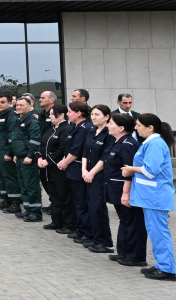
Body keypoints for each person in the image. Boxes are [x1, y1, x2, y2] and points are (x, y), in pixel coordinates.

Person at [122, 114, 176, 281]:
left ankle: (167, 270)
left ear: (150, 127)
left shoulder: (155, 144)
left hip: (156, 196)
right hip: (151, 196)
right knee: (154, 232)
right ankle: (161, 264)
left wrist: (131, 169)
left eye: (139, 125)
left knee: (159, 233)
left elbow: (150, 171)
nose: (136, 128)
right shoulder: (150, 143)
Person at [102, 113, 145, 266]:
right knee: (125, 220)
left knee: (133, 222)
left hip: (124, 189)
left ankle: (135, 257)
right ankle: (124, 252)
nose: (108, 125)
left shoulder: (128, 144)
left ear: (121, 128)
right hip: (115, 188)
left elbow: (129, 171)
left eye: (111, 123)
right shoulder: (116, 141)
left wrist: (126, 193)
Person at [58, 101, 94, 245]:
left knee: (83, 202)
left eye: (70, 111)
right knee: (79, 202)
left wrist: (65, 162)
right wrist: (65, 160)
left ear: (78, 113)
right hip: (73, 169)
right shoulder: (76, 127)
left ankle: (87, 231)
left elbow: (77, 150)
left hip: (78, 169)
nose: (67, 114)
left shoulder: (85, 128)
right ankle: (81, 229)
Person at [82, 104, 114, 252]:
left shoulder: (109, 133)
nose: (93, 117)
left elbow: (105, 157)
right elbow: (85, 152)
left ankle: (105, 242)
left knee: (98, 208)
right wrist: (84, 170)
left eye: (97, 115)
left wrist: (92, 173)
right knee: (90, 207)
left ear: (107, 117)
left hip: (100, 176)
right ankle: (95, 238)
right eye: (92, 114)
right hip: (88, 174)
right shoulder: (91, 130)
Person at [39, 104, 76, 233]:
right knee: (54, 197)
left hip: (59, 169)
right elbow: (42, 144)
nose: (49, 116)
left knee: (65, 197)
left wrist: (48, 161)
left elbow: (62, 149)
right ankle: (56, 222)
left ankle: (68, 225)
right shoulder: (51, 128)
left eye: (52, 114)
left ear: (61, 115)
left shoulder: (66, 129)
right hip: (49, 170)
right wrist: (39, 157)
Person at [11, 96, 43, 222]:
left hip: (28, 159)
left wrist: (30, 156)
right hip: (20, 158)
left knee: (31, 186)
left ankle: (35, 213)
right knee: (23, 186)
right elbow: (17, 139)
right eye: (17, 105)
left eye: (22, 105)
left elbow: (35, 141)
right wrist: (16, 154)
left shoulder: (32, 121)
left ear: (30, 106)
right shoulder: (19, 120)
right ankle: (28, 210)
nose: (18, 107)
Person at [0, 92, 21, 213]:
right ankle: (6, 200)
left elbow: (12, 136)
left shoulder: (12, 116)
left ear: (9, 103)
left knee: (9, 177)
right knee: (1, 176)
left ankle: (15, 203)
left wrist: (9, 152)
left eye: (2, 102)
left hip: (5, 150)